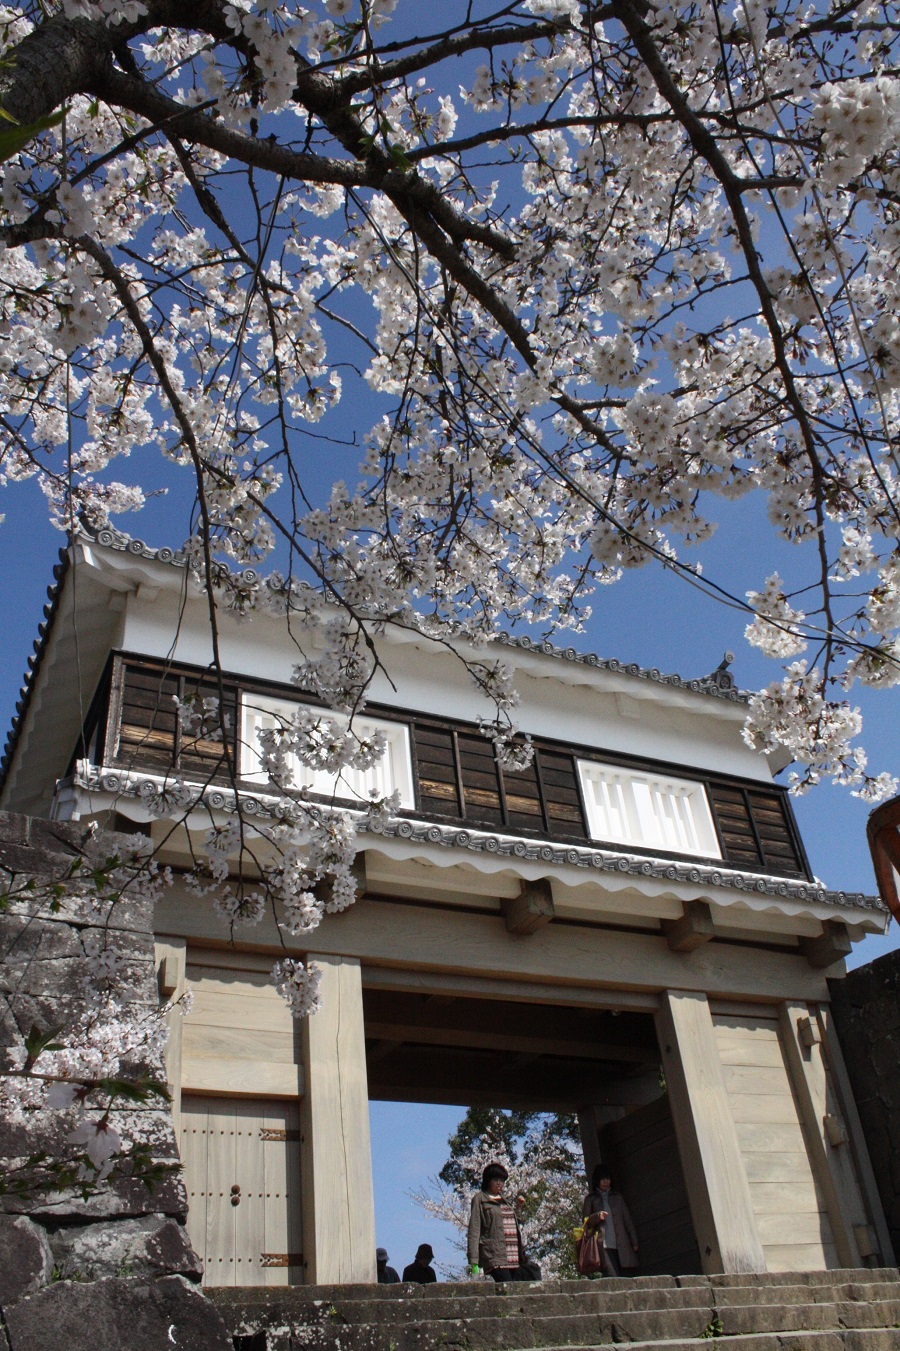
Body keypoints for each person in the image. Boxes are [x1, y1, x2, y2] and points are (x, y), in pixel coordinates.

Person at [467, 1162, 541, 1283]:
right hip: (494, 1255)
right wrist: (473, 1260)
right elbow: (474, 1229)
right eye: (496, 1179)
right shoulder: (480, 1199)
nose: (499, 1183)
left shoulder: (503, 1200)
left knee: (514, 1288)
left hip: (512, 1254)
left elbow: (505, 1223)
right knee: (506, 1286)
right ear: (488, 1180)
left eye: (502, 1180)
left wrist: (517, 1208)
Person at [582, 1163, 639, 1276]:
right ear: (597, 1180)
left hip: (622, 1243)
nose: (605, 1182)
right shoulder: (591, 1199)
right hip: (603, 1246)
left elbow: (627, 1220)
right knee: (612, 1276)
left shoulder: (617, 1197)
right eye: (602, 1179)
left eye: (607, 1179)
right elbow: (585, 1223)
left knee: (627, 1276)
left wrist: (634, 1241)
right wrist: (596, 1217)